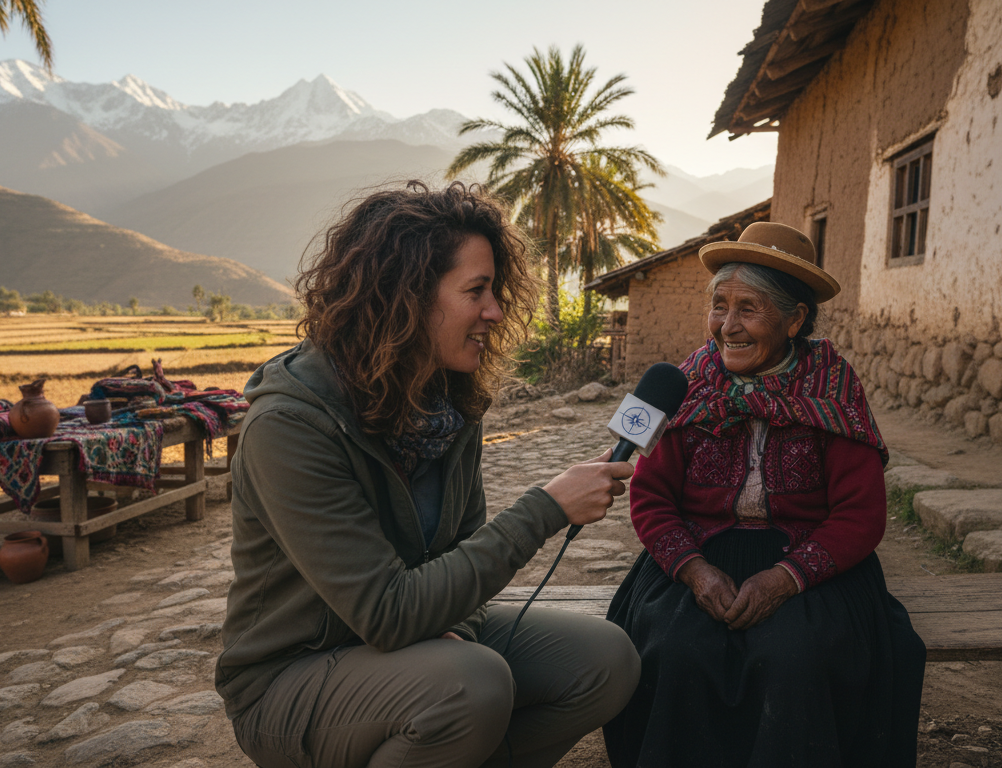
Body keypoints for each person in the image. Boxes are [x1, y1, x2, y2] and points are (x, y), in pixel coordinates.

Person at [217, 181, 640, 768]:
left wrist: (456, 632)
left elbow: (464, 555)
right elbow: (387, 612)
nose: (494, 311)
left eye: (495, 291)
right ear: (406, 297)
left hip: (418, 649)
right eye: (476, 291)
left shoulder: (448, 405)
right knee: (468, 685)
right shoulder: (292, 425)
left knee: (605, 660)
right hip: (291, 679)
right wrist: (546, 508)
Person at [603, 222, 927, 767]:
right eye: (719, 306)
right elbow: (652, 500)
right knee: (676, 652)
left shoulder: (833, 386)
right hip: (697, 556)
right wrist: (696, 571)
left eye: (748, 308)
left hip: (808, 564)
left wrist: (785, 578)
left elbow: (860, 515)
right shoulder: (686, 384)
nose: (727, 326)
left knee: (797, 656)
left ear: (795, 319)